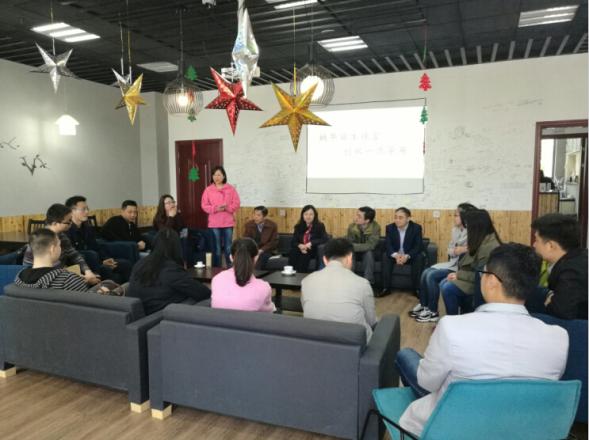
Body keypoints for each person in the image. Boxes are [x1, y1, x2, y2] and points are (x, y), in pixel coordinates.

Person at [395, 243, 568, 437]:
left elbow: (427, 382)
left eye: (483, 273)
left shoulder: (452, 328)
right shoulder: (559, 338)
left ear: (492, 281)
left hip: (452, 427)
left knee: (405, 356)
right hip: (521, 430)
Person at [301, 238, 377, 341]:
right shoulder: (362, 284)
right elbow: (371, 321)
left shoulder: (306, 281)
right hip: (356, 344)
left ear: (325, 260)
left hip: (316, 342)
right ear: (349, 258)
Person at [412, 203, 476, 322]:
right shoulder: (455, 230)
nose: (454, 217)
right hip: (453, 262)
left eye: (456, 215)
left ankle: (433, 312)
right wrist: (456, 250)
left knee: (431, 275)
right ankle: (424, 305)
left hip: (460, 268)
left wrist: (461, 250)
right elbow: (450, 249)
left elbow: (470, 251)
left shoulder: (473, 233)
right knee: (426, 272)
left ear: (465, 217)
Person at [127, 228, 211, 315]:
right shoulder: (171, 269)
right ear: (176, 247)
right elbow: (203, 293)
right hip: (160, 316)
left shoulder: (140, 263)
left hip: (139, 315)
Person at [15, 228, 123, 295]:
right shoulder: (68, 279)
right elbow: (86, 305)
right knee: (116, 286)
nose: (61, 248)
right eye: (59, 245)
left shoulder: (19, 278)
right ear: (52, 249)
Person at [527, 213, 587, 319]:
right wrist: (551, 296)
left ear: (550, 246)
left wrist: (550, 302)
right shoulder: (578, 257)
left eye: (536, 240)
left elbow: (560, 313)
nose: (534, 245)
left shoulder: (572, 272)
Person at [441, 209, 501, 315]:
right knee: (444, 283)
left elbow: (481, 277)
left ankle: (454, 320)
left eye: (468, 226)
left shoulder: (489, 246)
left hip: (480, 284)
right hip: (472, 278)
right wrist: (458, 274)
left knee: (447, 288)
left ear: (477, 226)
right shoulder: (482, 239)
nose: (467, 229)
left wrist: (458, 275)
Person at [23, 204, 101, 286]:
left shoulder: (62, 236)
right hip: (46, 278)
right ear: (55, 223)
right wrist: (79, 279)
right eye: (68, 221)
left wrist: (87, 271)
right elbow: (49, 271)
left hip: (60, 273)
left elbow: (73, 254)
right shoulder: (41, 239)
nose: (71, 223)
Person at [65, 195, 132, 284]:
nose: (87, 212)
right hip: (85, 267)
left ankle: (130, 290)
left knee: (126, 264)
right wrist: (98, 262)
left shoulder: (87, 228)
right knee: (109, 273)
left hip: (97, 261)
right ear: (71, 211)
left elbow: (96, 247)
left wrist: (105, 259)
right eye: (83, 209)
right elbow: (72, 256)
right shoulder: (66, 230)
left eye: (87, 209)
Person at [211, 238, 275, 312]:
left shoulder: (217, 279)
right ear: (256, 258)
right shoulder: (264, 288)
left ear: (231, 258)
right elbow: (269, 312)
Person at [201, 166, 241, 267]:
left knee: (228, 247)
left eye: (219, 175)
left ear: (223, 176)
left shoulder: (231, 189)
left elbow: (236, 203)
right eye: (214, 175)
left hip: (228, 222)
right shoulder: (208, 190)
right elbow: (204, 205)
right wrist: (215, 208)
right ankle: (217, 269)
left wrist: (227, 207)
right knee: (217, 248)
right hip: (214, 223)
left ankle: (230, 268)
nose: (216, 177)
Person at [381, 207, 424, 297]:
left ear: (408, 219)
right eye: (395, 217)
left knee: (419, 257)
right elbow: (388, 245)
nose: (397, 220)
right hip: (396, 255)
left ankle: (417, 289)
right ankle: (386, 288)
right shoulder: (390, 227)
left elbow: (418, 246)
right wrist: (396, 256)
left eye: (400, 218)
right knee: (385, 256)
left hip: (409, 256)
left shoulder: (416, 228)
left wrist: (407, 256)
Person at [288, 205, 329, 273]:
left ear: (314, 216)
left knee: (304, 254)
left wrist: (311, 243)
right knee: (293, 252)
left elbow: (325, 239)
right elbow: (293, 241)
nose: (308, 216)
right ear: (302, 215)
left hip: (312, 249)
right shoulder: (298, 227)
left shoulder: (319, 226)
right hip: (300, 249)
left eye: (311, 214)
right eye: (306, 214)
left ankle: (301, 275)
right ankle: (290, 273)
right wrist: (300, 245)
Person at [346, 207, 381, 285]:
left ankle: (368, 282)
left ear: (367, 220)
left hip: (369, 252)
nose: (356, 218)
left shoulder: (375, 227)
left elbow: (371, 245)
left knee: (368, 253)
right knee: (349, 253)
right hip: (355, 251)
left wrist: (353, 246)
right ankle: (349, 281)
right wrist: (352, 247)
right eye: (356, 215)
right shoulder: (352, 226)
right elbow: (349, 242)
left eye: (359, 216)